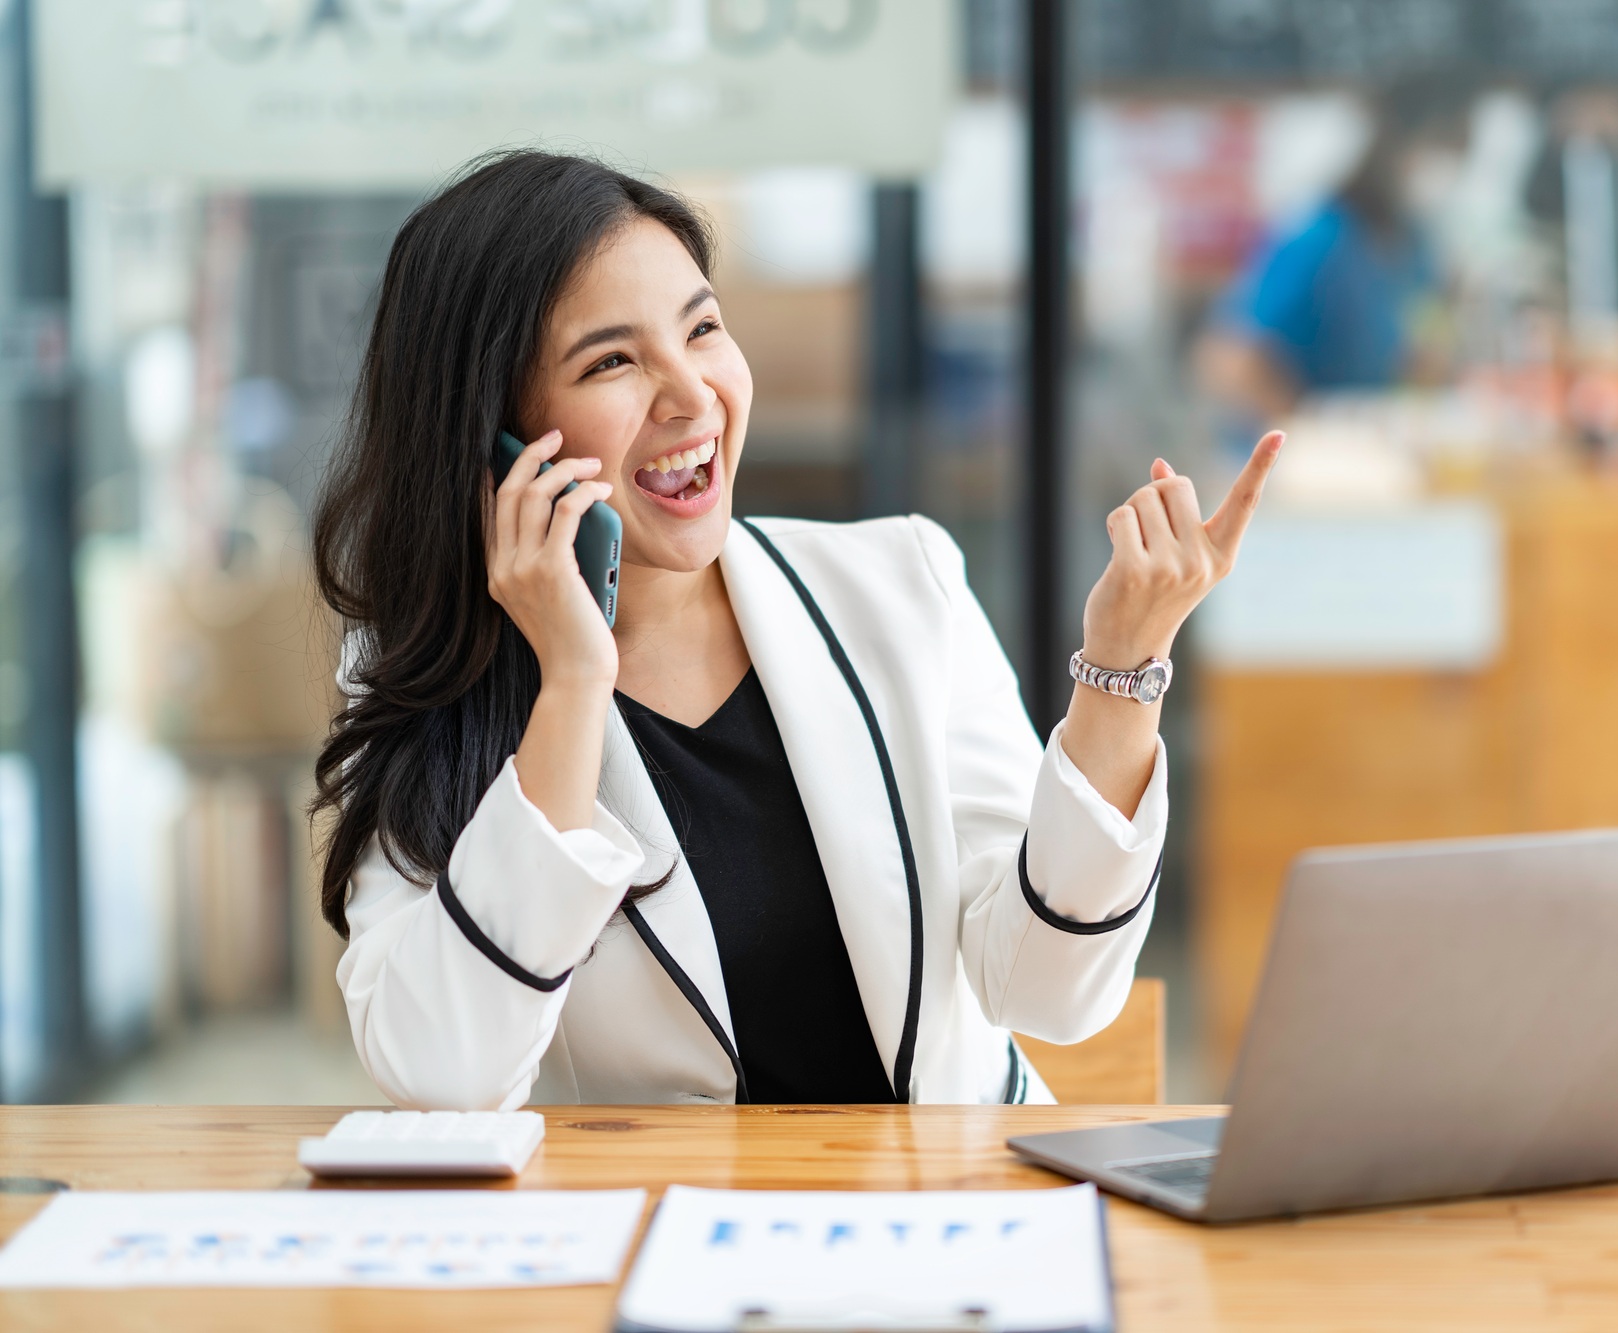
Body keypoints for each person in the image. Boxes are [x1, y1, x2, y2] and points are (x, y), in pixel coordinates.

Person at [311, 151, 1282, 1109]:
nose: (692, 394)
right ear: (493, 430)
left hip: (952, 1221)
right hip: (654, 1238)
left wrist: (1120, 669)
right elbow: (442, 1073)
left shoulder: (901, 581)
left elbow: (1048, 987)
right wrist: (570, 681)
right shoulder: (420, 675)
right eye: (612, 361)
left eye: (701, 330)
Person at [1197, 86, 1467, 425]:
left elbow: (1419, 350)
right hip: (1299, 456)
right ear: (1394, 146)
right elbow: (1230, 358)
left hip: (1376, 441)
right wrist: (1299, 429)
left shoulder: (1414, 243)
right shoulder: (1316, 237)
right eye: (1442, 149)